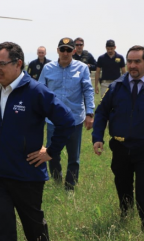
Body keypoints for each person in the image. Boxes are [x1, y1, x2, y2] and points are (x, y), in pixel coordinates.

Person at [0, 41, 75, 241]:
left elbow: (67, 120)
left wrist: (50, 152)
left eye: (2, 64)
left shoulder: (35, 92)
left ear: (18, 63)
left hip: (27, 174)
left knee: (33, 224)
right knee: (3, 225)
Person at [92, 45, 144, 229]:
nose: (132, 65)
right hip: (121, 147)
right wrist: (97, 137)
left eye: (137, 61)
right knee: (122, 184)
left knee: (142, 192)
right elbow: (101, 113)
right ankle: (126, 215)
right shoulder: (116, 87)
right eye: (130, 61)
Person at [39, 37, 95, 191]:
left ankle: (70, 186)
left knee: (73, 157)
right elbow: (40, 92)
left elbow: (88, 91)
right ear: (57, 50)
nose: (65, 53)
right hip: (53, 120)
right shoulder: (48, 68)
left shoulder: (82, 68)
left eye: (68, 50)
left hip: (75, 119)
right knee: (52, 154)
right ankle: (57, 182)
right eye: (62, 49)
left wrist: (90, 113)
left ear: (74, 51)